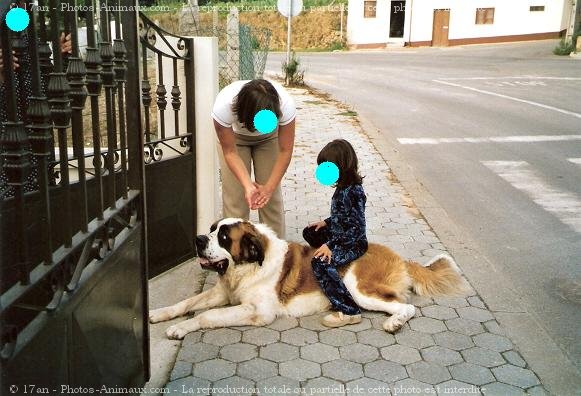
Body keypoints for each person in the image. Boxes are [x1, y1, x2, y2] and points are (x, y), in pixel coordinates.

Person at [212, 79, 296, 238]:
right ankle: (235, 256)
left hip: (269, 138)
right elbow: (229, 152)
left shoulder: (286, 104)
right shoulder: (224, 106)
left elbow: (285, 151)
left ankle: (277, 255)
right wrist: (248, 186)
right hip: (235, 139)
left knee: (270, 199)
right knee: (235, 200)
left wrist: (268, 188)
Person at [303, 139, 368, 327]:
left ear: (342, 166)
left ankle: (349, 310)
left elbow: (356, 228)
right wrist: (326, 223)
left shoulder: (354, 192)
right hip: (339, 234)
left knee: (319, 263)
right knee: (310, 232)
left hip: (352, 242)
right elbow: (342, 217)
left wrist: (330, 246)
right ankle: (329, 254)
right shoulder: (342, 188)